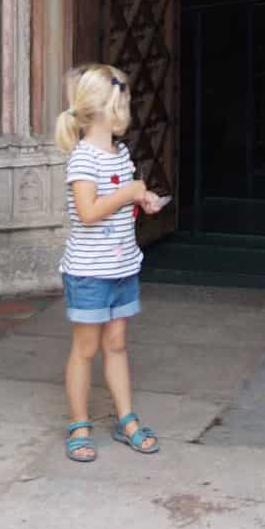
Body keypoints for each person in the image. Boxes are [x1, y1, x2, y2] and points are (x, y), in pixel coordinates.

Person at [55, 64, 168, 463]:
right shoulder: (84, 158)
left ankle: (126, 419)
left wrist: (143, 198)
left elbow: (120, 197)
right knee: (86, 349)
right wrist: (128, 194)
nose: (131, 111)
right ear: (107, 109)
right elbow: (87, 211)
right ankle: (79, 423)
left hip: (121, 268)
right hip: (89, 272)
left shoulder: (119, 154)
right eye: (126, 103)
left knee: (117, 344)